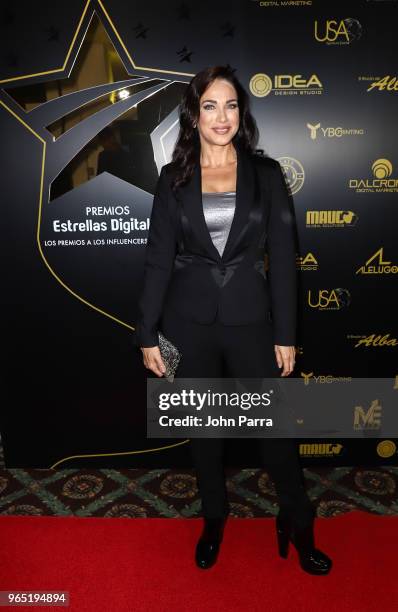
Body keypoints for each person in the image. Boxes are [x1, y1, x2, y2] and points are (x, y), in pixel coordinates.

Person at [134, 65, 332, 575]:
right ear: (193, 115)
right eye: (209, 106)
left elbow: (285, 259)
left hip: (250, 320)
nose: (221, 117)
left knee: (276, 433)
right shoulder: (172, 179)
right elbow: (158, 259)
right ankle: (214, 520)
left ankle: (298, 522)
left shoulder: (266, 176)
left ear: (240, 114)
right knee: (205, 432)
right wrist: (147, 332)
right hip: (188, 322)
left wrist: (286, 334)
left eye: (230, 105)